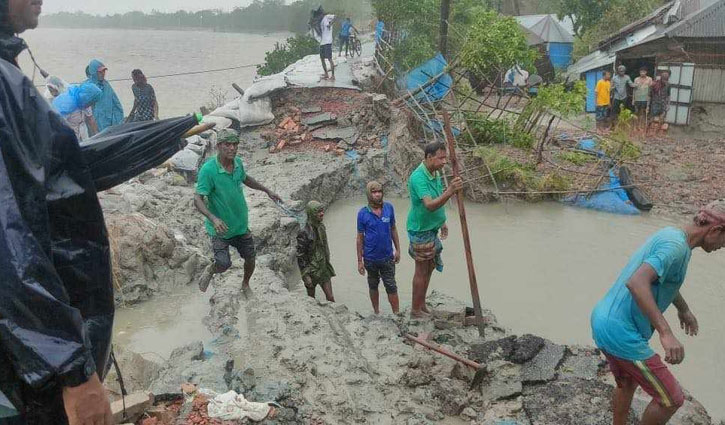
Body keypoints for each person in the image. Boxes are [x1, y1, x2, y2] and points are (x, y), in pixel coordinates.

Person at [0, 1, 114, 424]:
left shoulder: (9, 79)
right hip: (33, 367)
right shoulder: (3, 86)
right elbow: (9, 240)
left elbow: (40, 180)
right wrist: (73, 370)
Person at [591, 200, 725, 425]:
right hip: (620, 332)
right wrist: (666, 332)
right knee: (671, 399)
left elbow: (664, 281)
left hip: (603, 321)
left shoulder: (673, 236)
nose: (723, 246)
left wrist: (683, 309)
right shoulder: (676, 247)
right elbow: (637, 282)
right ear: (716, 230)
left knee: (627, 381)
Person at [195, 129, 281, 294]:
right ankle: (211, 269)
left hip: (240, 224)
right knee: (224, 264)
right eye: (228, 144)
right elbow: (197, 199)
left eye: (235, 144)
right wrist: (213, 219)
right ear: (219, 146)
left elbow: (246, 178)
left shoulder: (238, 163)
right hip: (220, 228)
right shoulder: (208, 170)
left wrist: (267, 190)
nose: (232, 148)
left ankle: (245, 284)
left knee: (250, 257)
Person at [407, 142, 463, 318]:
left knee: (430, 266)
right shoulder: (418, 177)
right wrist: (451, 190)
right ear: (429, 157)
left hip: (431, 228)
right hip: (421, 230)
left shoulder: (435, 173)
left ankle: (421, 304)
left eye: (445, 157)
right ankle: (415, 310)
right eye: (440, 158)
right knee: (421, 269)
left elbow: (438, 199)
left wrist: (442, 222)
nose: (444, 161)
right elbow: (430, 205)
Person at [356, 181, 401, 315]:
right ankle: (376, 312)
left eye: (379, 191)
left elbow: (393, 229)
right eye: (374, 192)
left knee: (391, 286)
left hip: (388, 257)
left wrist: (398, 250)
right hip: (370, 258)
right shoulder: (362, 213)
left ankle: (397, 314)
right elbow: (359, 238)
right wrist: (359, 261)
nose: (377, 194)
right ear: (369, 194)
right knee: (373, 285)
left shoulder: (389, 208)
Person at [297, 201, 336, 302]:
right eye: (318, 211)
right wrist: (305, 275)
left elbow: (325, 247)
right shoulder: (304, 232)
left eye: (322, 211)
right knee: (311, 300)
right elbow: (300, 256)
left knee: (331, 297)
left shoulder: (321, 227)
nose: (322, 213)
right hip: (311, 270)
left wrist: (327, 263)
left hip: (323, 267)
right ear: (311, 214)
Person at [84, 59, 123, 132]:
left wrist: (117, 124)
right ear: (94, 72)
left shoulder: (107, 85)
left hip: (107, 126)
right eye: (100, 72)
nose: (103, 73)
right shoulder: (87, 87)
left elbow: (117, 105)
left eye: (104, 71)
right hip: (92, 128)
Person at [311, 7, 335, 80]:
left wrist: (330, 24)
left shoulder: (327, 17)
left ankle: (333, 76)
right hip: (322, 43)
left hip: (328, 42)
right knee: (322, 59)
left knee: (329, 59)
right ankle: (326, 74)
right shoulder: (318, 22)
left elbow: (335, 17)